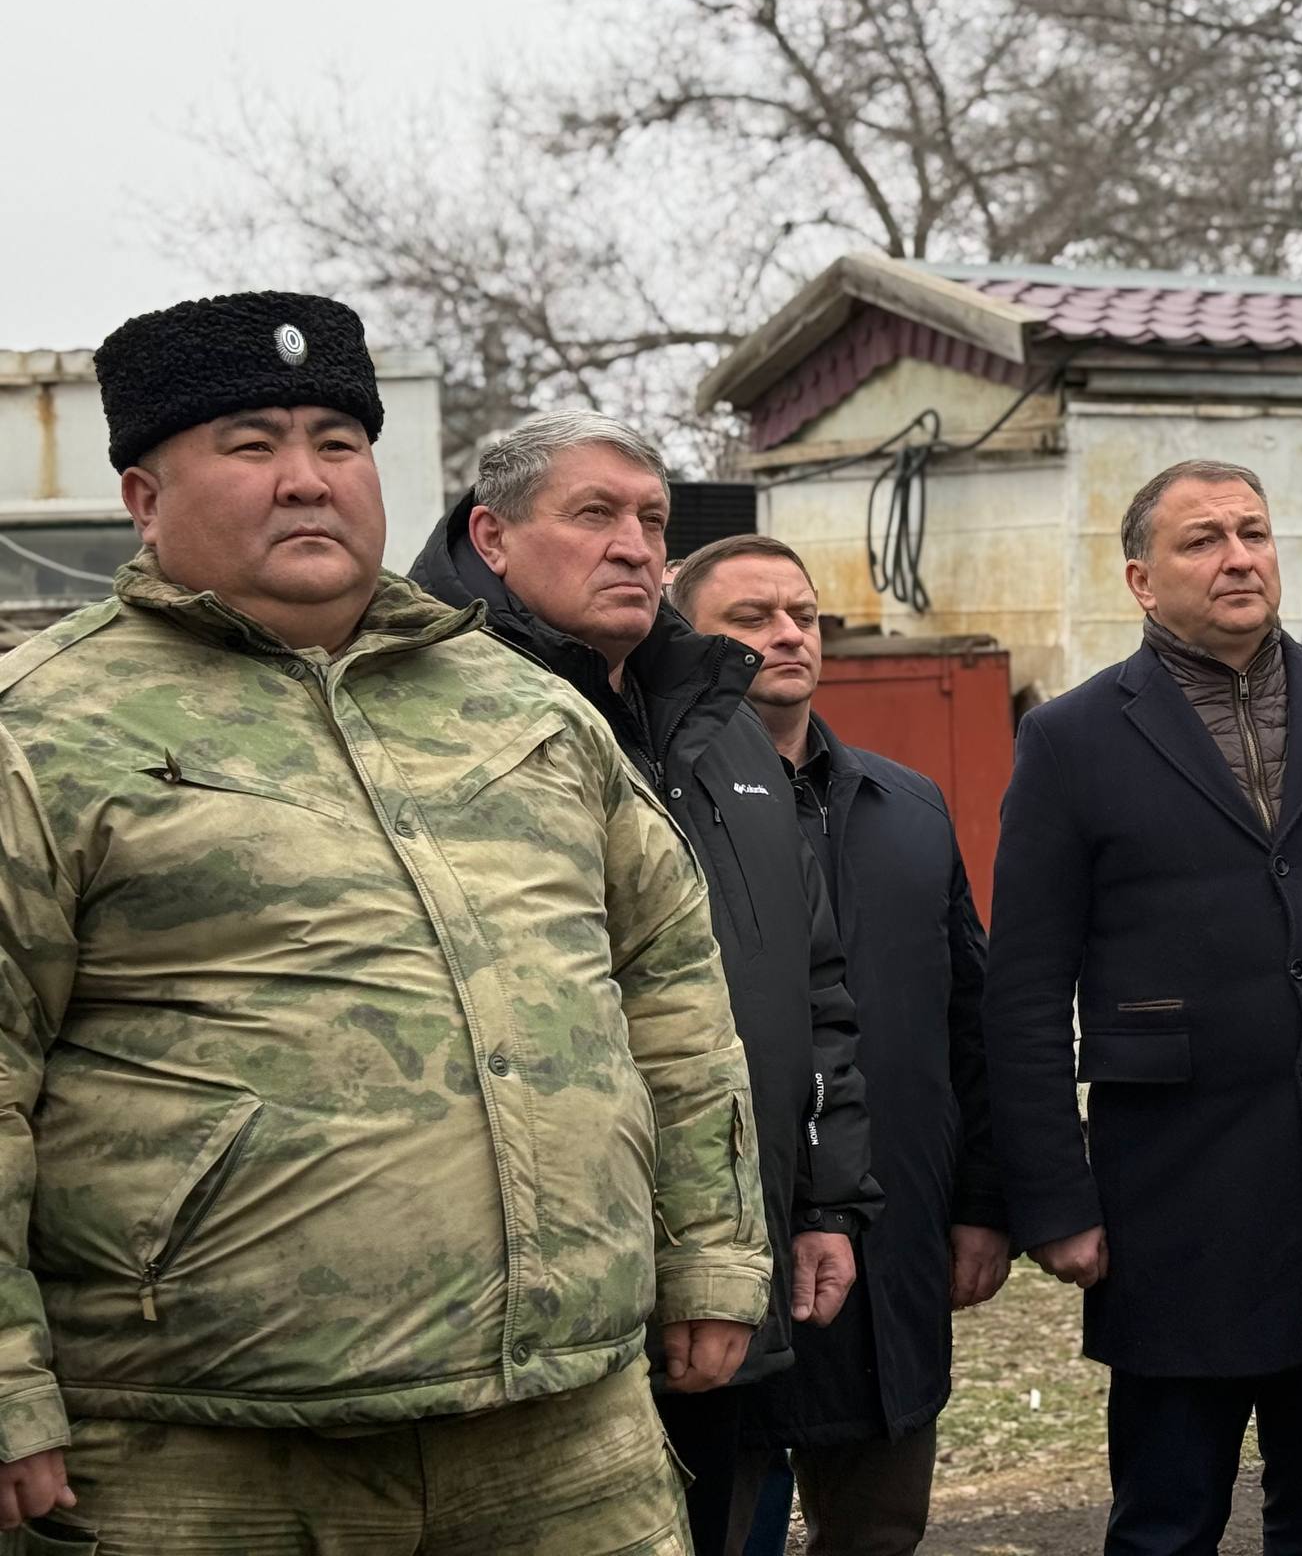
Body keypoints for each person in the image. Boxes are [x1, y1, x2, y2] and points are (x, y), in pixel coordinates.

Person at [0, 294, 769, 1549]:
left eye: (337, 444)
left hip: (566, 1436)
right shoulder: (41, 726)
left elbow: (673, 997)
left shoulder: (525, 711)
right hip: (195, 1456)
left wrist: (713, 1257)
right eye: (251, 446)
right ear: (146, 498)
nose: (305, 480)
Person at [986, 460, 1302, 1556]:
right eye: (1202, 540)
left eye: (1254, 533)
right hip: (1176, 1188)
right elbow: (1022, 989)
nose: (1237, 558)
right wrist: (1053, 1198)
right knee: (1168, 1517)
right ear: (1139, 577)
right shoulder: (1071, 739)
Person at [411, 412, 879, 1554]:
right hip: (533, 1301)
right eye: (594, 515)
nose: (635, 546)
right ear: (493, 534)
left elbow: (807, 982)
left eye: (652, 520)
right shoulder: (416, 713)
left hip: (727, 1260)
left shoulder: (715, 722)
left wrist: (821, 1202)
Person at [673, 535, 1010, 1556]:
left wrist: (985, 1204)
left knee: (879, 1530)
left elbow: (970, 1017)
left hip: (892, 1251)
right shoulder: (655, 808)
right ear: (683, 642)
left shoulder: (905, 805)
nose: (786, 634)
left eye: (802, 615)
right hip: (730, 1257)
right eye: (750, 618)